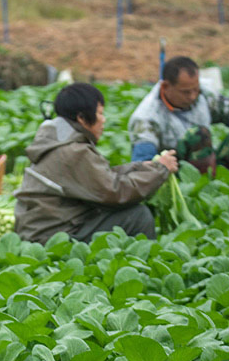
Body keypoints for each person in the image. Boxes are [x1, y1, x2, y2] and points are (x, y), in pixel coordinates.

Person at [14, 82, 179, 244]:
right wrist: (160, 170)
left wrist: (142, 167)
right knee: (137, 216)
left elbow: (102, 177)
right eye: (100, 114)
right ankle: (143, 266)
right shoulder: (72, 151)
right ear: (82, 118)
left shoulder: (58, 138)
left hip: (41, 231)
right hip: (51, 239)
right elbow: (115, 192)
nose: (104, 120)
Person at [128, 56, 229, 173]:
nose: (192, 96)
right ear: (165, 86)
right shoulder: (146, 117)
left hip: (207, 162)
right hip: (175, 172)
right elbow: (142, 164)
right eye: (185, 92)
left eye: (195, 89)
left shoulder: (204, 94)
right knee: (199, 134)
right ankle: (205, 184)